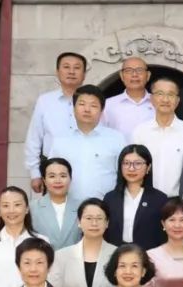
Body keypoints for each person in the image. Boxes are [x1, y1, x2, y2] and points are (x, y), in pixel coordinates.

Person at [49, 84, 126, 204]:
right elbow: (51, 173)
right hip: (67, 207)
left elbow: (124, 174)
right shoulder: (60, 140)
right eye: (82, 104)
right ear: (73, 108)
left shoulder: (116, 139)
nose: (87, 109)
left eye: (93, 105)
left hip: (105, 207)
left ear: (102, 111)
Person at [25, 52, 85, 194]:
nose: (71, 71)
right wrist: (35, 173)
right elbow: (34, 138)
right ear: (57, 72)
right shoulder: (45, 101)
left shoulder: (93, 101)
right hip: (52, 169)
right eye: (66, 67)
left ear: (84, 74)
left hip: (85, 167)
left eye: (77, 68)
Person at [131, 78, 183, 196]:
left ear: (177, 100)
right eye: (160, 94)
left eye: (171, 94)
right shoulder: (140, 132)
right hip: (146, 198)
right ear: (151, 99)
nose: (165, 99)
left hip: (180, 201)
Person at [103, 144, 169, 251]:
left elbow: (163, 235)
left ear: (148, 167)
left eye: (137, 163)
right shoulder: (110, 198)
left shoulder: (160, 199)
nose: (131, 168)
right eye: (126, 163)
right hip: (115, 253)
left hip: (148, 255)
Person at [30, 157, 81, 248]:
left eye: (63, 176)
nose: (58, 181)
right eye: (52, 176)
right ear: (44, 181)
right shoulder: (32, 207)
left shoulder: (82, 207)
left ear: (70, 179)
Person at [102, 56, 154, 140]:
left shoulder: (159, 103)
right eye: (129, 71)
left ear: (148, 75)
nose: (134, 75)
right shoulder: (108, 104)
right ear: (121, 76)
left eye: (139, 70)